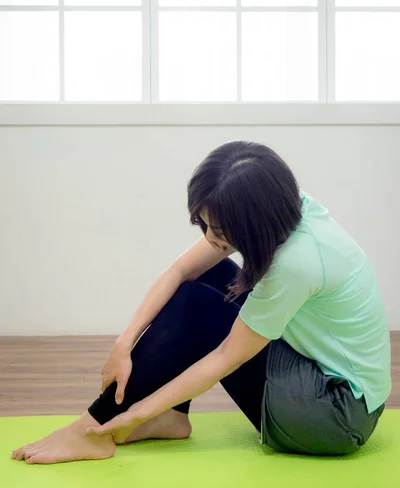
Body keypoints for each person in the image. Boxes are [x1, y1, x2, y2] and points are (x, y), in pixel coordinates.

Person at [12, 141, 391, 465]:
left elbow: (227, 356)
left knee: (198, 307)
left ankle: (91, 430)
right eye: (205, 226)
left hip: (338, 415)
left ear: (253, 222)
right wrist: (123, 344)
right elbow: (181, 270)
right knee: (207, 276)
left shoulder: (298, 262)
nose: (210, 238)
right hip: (318, 373)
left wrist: (134, 414)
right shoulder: (289, 208)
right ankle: (172, 419)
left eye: (221, 231)